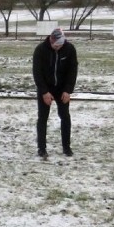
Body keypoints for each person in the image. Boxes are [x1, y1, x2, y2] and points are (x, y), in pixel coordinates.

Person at [32, 27, 79, 158]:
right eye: (56, 45)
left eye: (60, 45)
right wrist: (44, 92)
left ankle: (66, 147)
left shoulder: (70, 49)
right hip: (46, 88)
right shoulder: (40, 50)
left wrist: (68, 90)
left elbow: (72, 71)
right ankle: (41, 148)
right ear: (51, 41)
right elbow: (37, 72)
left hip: (62, 88)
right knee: (42, 118)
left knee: (65, 116)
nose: (58, 47)